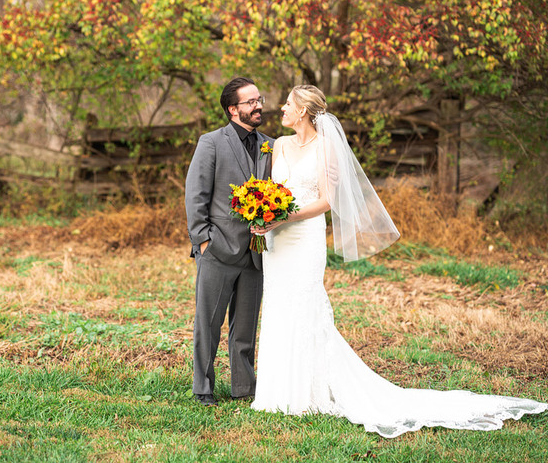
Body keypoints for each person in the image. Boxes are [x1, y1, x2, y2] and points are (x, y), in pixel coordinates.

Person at [249, 84, 547, 437]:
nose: (280, 108)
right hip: (278, 240)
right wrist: (263, 213)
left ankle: (306, 394)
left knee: (304, 304)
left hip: (304, 237)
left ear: (303, 111)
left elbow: (328, 201)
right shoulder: (279, 145)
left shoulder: (326, 147)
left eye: (287, 103)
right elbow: (269, 190)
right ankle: (275, 392)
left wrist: (286, 216)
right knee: (280, 306)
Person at [185, 77, 274, 406]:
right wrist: (203, 241)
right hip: (218, 249)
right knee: (208, 324)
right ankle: (203, 389)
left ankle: (243, 388)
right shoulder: (211, 142)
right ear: (232, 109)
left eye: (259, 99)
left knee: (246, 327)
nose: (258, 106)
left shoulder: (271, 145)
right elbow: (196, 195)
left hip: (255, 253)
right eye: (250, 102)